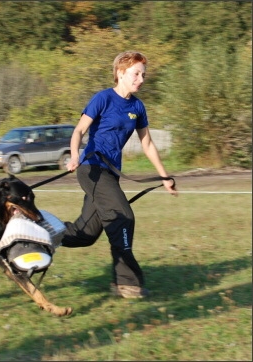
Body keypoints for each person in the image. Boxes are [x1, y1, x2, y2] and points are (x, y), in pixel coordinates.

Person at [61, 51, 178, 298]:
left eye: (143, 74)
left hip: (110, 174)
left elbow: (147, 144)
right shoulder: (103, 98)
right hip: (91, 169)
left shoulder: (137, 106)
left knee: (85, 234)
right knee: (123, 216)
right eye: (136, 73)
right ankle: (127, 283)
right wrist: (74, 155)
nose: (141, 79)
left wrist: (164, 177)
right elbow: (79, 131)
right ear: (120, 73)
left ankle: (35, 233)